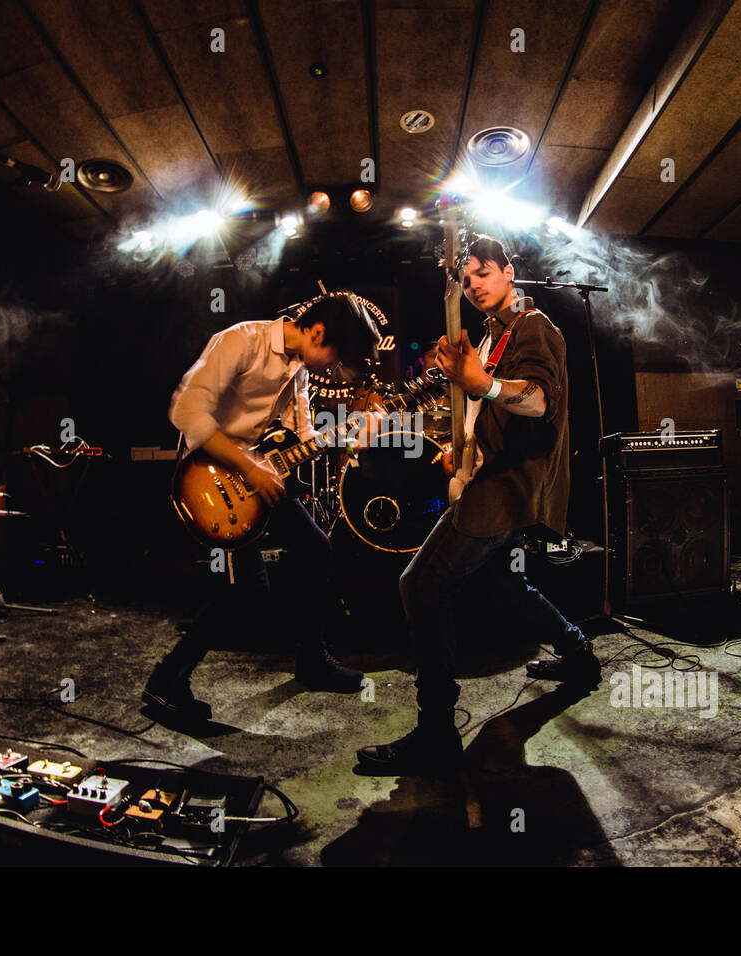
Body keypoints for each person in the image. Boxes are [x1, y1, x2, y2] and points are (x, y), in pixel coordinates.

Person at [356, 236, 601, 774]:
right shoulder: (494, 334)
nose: (473, 286)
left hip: (505, 486)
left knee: (419, 584)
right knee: (504, 583)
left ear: (510, 272)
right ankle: (580, 656)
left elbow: (537, 400)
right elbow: (486, 410)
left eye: (483, 273)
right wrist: (459, 447)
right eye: (465, 280)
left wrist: (483, 384)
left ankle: (438, 731)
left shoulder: (536, 328)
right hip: (488, 475)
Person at [144, 295, 380, 726]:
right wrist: (248, 465)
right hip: (214, 480)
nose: (334, 368)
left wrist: (351, 435)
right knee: (245, 591)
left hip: (261, 473)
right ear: (318, 332)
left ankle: (311, 660)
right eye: (337, 356)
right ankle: (166, 680)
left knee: (317, 550)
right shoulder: (242, 340)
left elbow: (303, 436)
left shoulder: (298, 368)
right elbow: (186, 410)